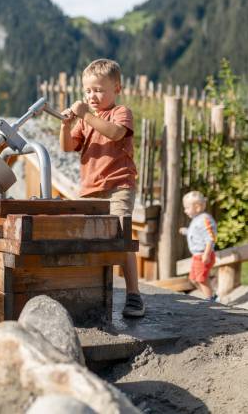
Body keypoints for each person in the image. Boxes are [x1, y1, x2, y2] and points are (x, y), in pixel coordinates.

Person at [59, 58, 144, 317]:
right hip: (89, 189)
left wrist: (85, 113)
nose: (92, 96)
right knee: (87, 237)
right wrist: (66, 125)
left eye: (98, 90)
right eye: (87, 90)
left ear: (116, 89)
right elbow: (67, 147)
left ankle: (134, 295)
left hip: (118, 185)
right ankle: (90, 289)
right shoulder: (85, 121)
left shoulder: (121, 112)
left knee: (121, 236)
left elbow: (115, 134)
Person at [180, 191, 217, 301]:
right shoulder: (197, 219)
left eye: (187, 208)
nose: (185, 211)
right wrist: (186, 231)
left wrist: (207, 254)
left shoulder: (205, 219)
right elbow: (197, 234)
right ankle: (211, 296)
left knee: (201, 279)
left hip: (203, 255)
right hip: (197, 256)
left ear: (197, 207)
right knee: (193, 279)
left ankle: (210, 299)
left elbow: (210, 237)